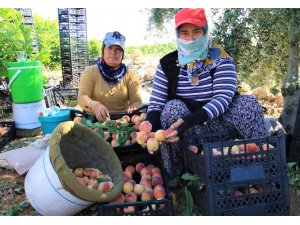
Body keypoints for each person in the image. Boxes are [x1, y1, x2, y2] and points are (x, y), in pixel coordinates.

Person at [146, 8, 267, 188]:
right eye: (185, 33)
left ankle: (260, 168)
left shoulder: (220, 59)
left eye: (197, 32)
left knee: (248, 104)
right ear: (177, 35)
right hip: (187, 133)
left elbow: (223, 98)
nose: (191, 39)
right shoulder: (167, 64)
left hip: (220, 123)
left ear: (206, 31)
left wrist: (189, 120)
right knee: (171, 109)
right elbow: (156, 103)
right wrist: (151, 133)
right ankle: (179, 175)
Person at [78, 31, 142, 121]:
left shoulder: (130, 76)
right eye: (110, 48)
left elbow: (137, 101)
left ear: (122, 53)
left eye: (118, 49)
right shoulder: (90, 72)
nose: (113, 52)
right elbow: (82, 97)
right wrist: (95, 105)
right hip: (94, 122)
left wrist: (134, 109)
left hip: (122, 123)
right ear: (103, 50)